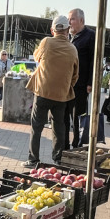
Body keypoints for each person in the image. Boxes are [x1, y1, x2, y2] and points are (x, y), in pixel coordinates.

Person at [24, 15, 78, 168]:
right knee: (58, 127)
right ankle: (58, 158)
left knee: (37, 127)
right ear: (68, 30)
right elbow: (75, 74)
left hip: (43, 92)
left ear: (52, 30)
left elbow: (37, 56)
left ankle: (33, 160)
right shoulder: (73, 49)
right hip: (61, 95)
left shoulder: (47, 42)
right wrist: (65, 86)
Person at [68, 7, 95, 149]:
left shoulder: (90, 36)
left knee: (78, 115)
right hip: (67, 83)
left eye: (72, 19)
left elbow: (93, 61)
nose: (69, 22)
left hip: (81, 84)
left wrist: (90, 82)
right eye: (69, 19)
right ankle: (65, 143)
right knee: (66, 114)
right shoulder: (70, 36)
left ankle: (78, 142)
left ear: (81, 20)